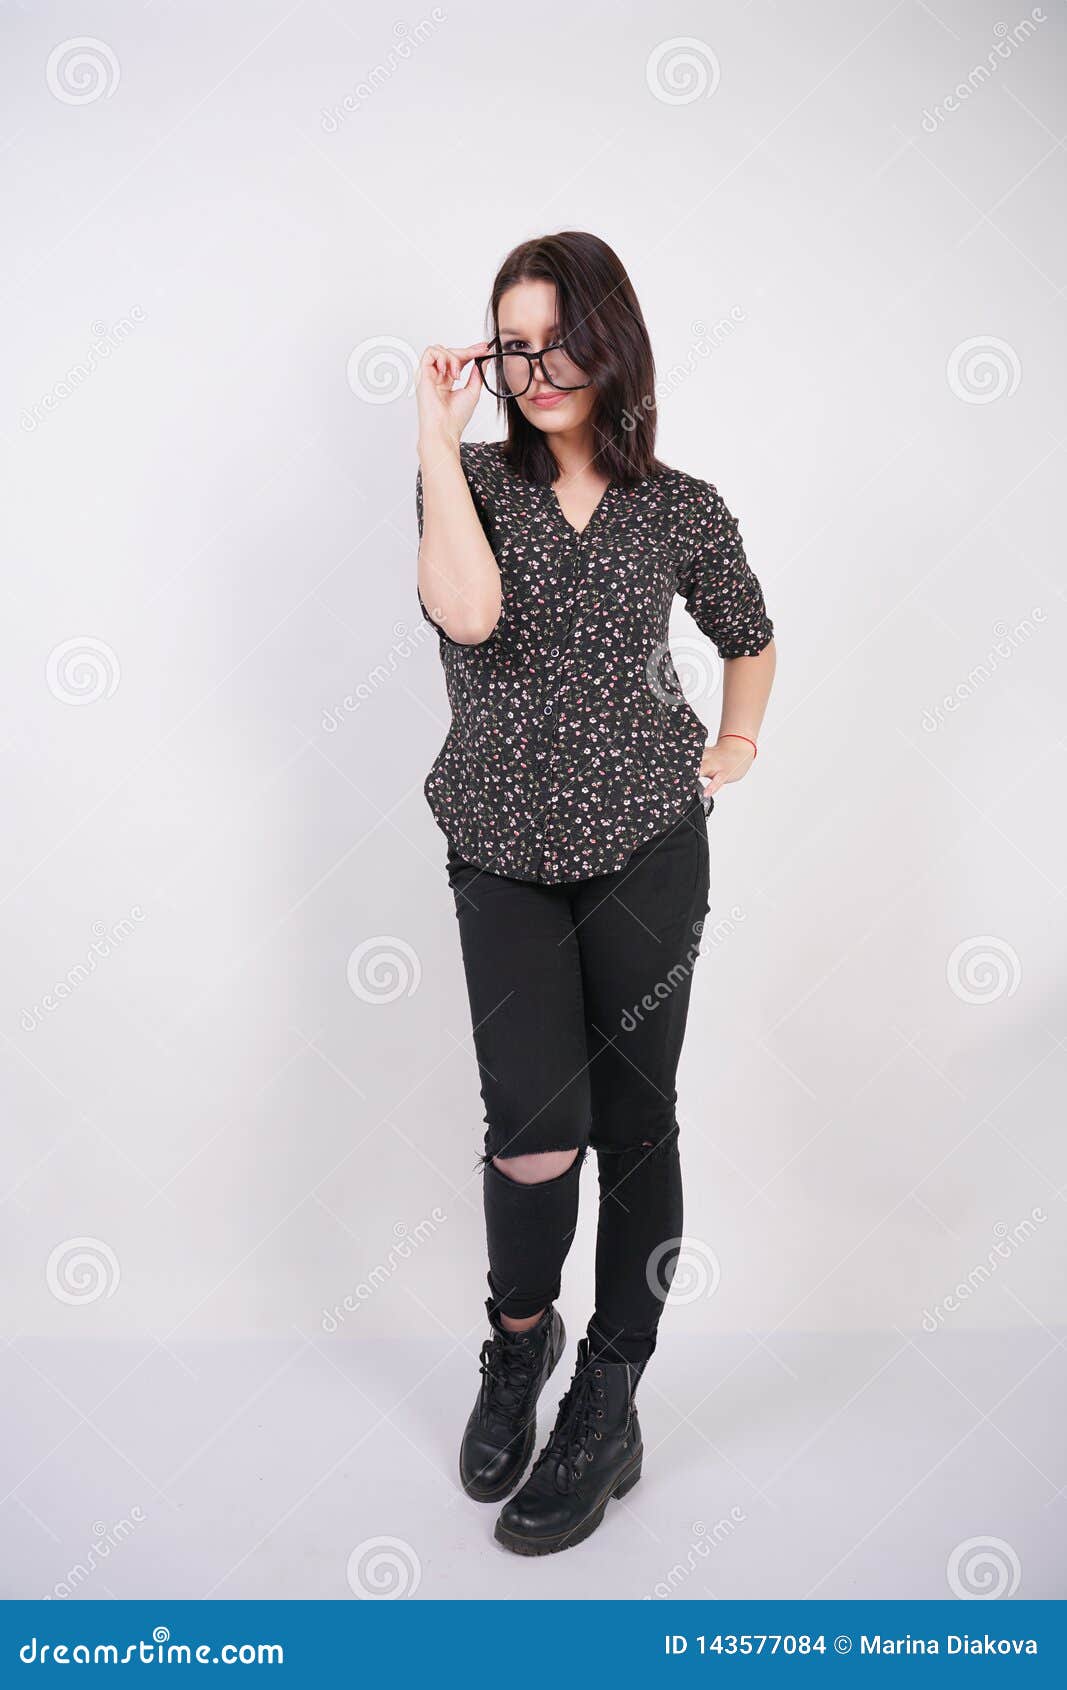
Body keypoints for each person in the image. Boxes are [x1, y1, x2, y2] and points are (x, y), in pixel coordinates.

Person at [414, 231, 776, 1556]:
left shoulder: (680, 505)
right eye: (514, 342)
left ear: (611, 340)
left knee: (636, 1121)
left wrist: (733, 746)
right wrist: (427, 430)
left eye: (561, 338)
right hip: (501, 847)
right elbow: (465, 616)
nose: (538, 366)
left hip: (647, 844)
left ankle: (609, 1398)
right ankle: (522, 1341)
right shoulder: (462, 481)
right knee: (532, 1126)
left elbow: (748, 630)